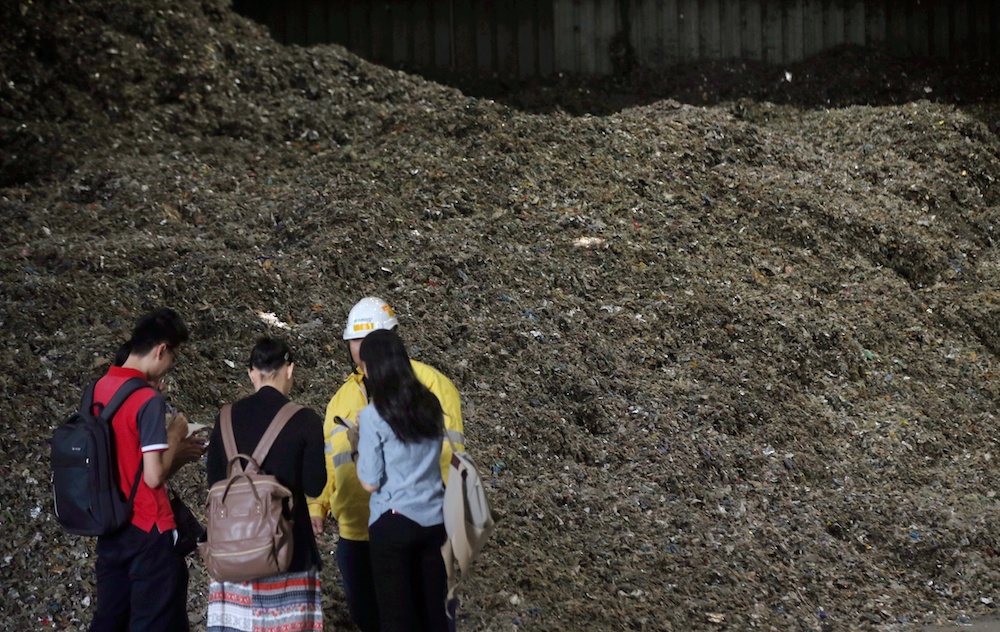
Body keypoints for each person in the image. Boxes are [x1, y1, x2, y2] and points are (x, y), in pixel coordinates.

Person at [308, 297, 465, 632]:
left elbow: (452, 456)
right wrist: (317, 505)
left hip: (412, 522)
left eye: (371, 340)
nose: (362, 349)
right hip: (356, 529)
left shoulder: (433, 385)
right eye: (355, 341)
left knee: (419, 618)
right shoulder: (341, 398)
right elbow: (328, 458)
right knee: (372, 619)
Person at [88, 307, 205, 632]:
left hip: (110, 525)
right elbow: (153, 476)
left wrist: (178, 456)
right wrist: (175, 432)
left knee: (110, 619)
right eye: (173, 356)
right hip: (148, 529)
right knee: (154, 621)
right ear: (161, 350)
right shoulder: (146, 399)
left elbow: (127, 465)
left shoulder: (99, 388)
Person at [205, 337, 326, 632]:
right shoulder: (305, 420)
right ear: (289, 370)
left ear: (251, 373)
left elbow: (214, 484)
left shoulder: (224, 418)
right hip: (288, 553)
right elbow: (314, 486)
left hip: (234, 553)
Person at [355, 329, 449, 632]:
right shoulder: (431, 404)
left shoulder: (373, 415)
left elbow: (369, 482)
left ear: (375, 367)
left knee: (398, 618)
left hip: (393, 522)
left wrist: (357, 445)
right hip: (436, 522)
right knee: (435, 613)